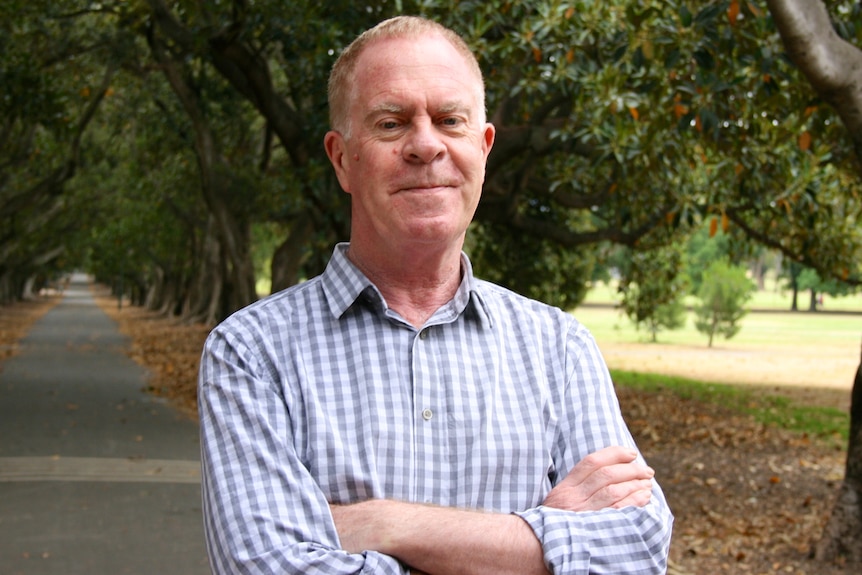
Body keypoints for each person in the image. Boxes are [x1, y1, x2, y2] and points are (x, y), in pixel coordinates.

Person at [199, 15, 673, 575]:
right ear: (342, 159)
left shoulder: (559, 349)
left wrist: (384, 524)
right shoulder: (251, 355)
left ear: (484, 145)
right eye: (391, 123)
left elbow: (636, 552)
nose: (426, 145)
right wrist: (537, 543)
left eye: (450, 120)